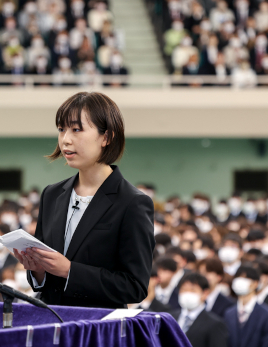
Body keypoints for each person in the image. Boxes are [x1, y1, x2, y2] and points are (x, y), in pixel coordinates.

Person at [14, 92, 155, 308]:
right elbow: (46, 282)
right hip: (51, 324)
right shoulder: (52, 194)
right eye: (61, 129)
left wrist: (70, 271)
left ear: (106, 137)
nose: (66, 139)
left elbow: (134, 287)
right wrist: (38, 270)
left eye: (76, 129)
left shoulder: (132, 203)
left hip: (96, 330)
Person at [224, 265, 268, 347]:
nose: (240, 282)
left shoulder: (267, 315)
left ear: (255, 283)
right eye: (238, 278)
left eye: (245, 279)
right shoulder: (228, 313)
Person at [176, 272, 229, 347]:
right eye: (184, 290)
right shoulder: (170, 317)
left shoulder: (215, 323)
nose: (187, 294)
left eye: (193, 291)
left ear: (205, 293)